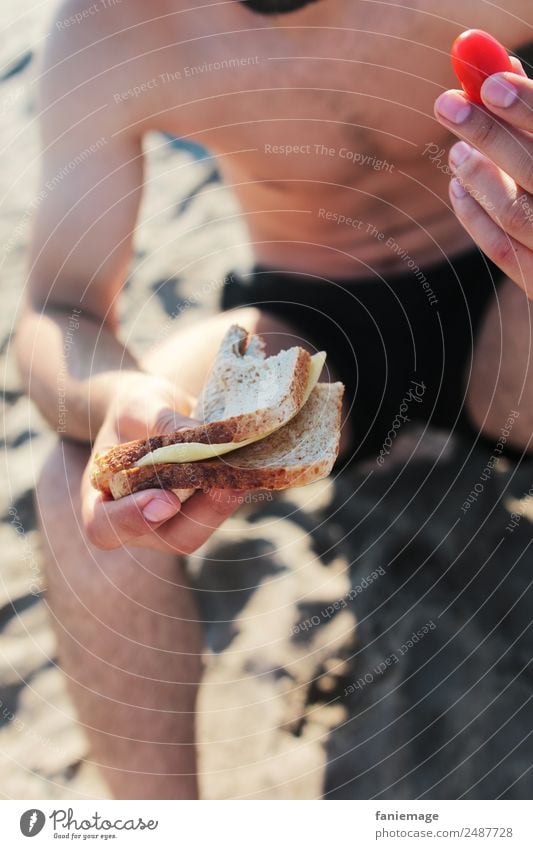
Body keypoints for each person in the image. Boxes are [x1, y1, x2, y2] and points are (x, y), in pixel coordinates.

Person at [15, 0, 533, 798]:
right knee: (95, 475)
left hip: (513, 285)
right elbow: (61, 306)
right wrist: (125, 393)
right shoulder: (113, 24)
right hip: (315, 321)